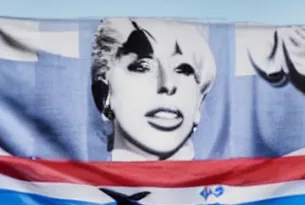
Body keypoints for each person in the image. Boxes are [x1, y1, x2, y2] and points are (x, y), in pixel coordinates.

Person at [91, 18, 216, 161]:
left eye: (183, 69)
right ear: (104, 93)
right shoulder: (74, 182)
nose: (168, 85)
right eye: (143, 67)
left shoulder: (228, 182)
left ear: (199, 101)